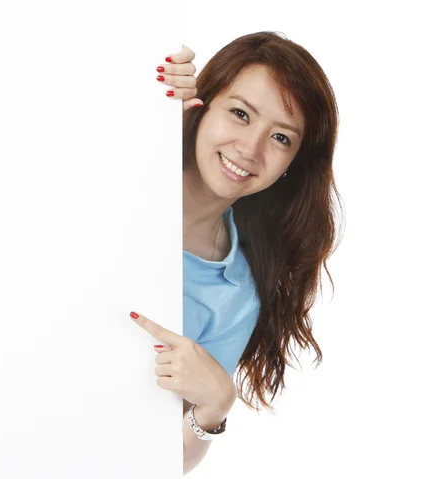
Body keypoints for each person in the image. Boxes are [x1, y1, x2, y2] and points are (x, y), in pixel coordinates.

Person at [129, 31, 342, 475]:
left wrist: (215, 405)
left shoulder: (236, 294)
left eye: (282, 138)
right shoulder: (126, 163)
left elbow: (158, 461)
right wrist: (139, 71)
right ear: (202, 105)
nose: (251, 148)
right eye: (240, 113)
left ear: (292, 167)